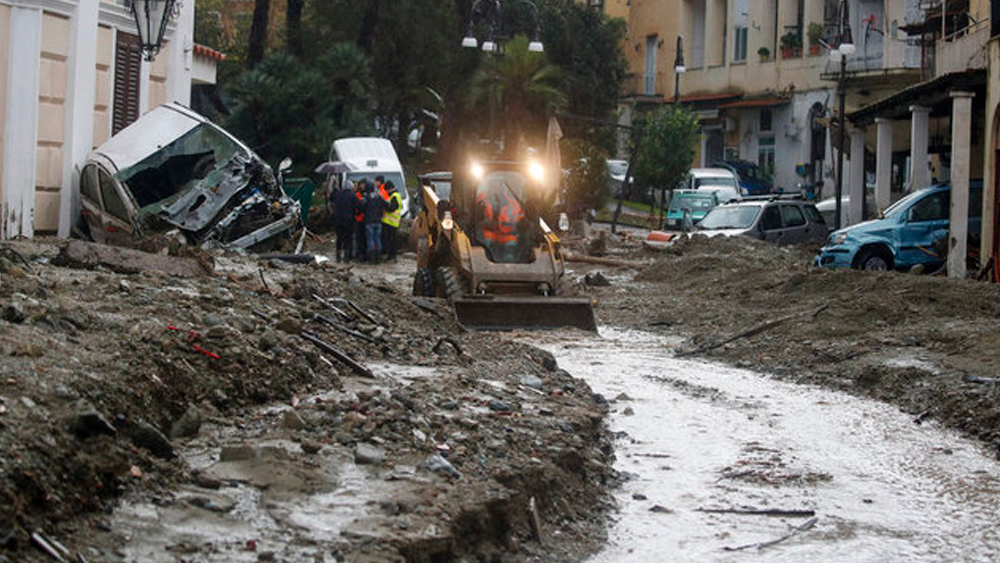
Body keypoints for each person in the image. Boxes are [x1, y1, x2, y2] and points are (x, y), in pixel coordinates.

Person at [331, 180, 357, 262]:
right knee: (348, 238)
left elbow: (331, 198)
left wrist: (335, 189)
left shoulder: (338, 194)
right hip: (349, 221)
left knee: (339, 238)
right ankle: (347, 257)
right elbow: (359, 206)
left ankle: (338, 257)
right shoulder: (352, 195)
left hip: (338, 220)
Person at [363, 182, 386, 262]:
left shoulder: (366, 198)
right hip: (378, 221)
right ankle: (379, 258)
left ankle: (371, 258)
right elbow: (386, 205)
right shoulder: (379, 196)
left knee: (370, 240)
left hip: (369, 221)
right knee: (378, 239)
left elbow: (362, 207)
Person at [381, 181, 402, 261]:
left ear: (389, 189)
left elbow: (392, 208)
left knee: (391, 240)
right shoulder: (396, 195)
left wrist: (384, 203)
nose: (386, 192)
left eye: (386, 190)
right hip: (393, 222)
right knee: (392, 240)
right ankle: (392, 256)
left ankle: (391, 256)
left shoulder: (394, 196)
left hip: (391, 222)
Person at [353, 180, 367, 261]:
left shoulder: (366, 195)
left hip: (365, 220)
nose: (362, 186)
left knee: (364, 239)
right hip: (358, 220)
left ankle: (364, 255)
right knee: (358, 239)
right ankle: (358, 254)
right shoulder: (357, 195)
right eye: (361, 185)